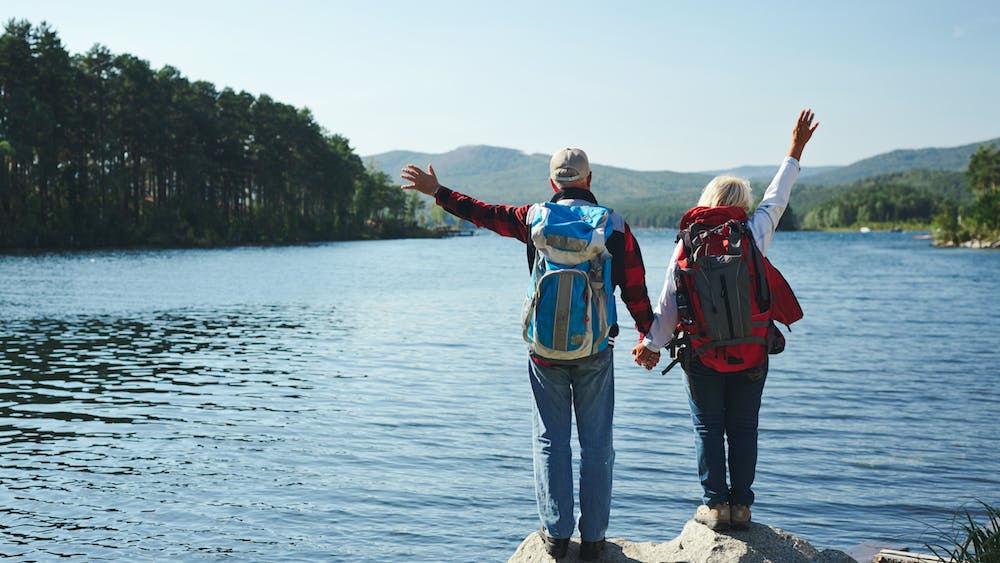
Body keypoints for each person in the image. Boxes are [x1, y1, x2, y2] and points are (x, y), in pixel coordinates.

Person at [401, 149, 654, 560]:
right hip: (595, 352)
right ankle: (593, 540)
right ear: (589, 179)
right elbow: (636, 289)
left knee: (550, 441)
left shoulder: (533, 217)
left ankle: (555, 534)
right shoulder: (615, 225)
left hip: (544, 352)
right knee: (597, 444)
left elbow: (483, 213)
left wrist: (439, 192)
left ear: (553, 183)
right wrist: (649, 337)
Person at [631, 109, 818, 531]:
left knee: (708, 428)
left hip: (701, 355)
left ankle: (715, 507)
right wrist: (795, 149)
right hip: (751, 352)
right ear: (742, 207)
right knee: (744, 429)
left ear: (707, 201)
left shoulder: (688, 243)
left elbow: (668, 303)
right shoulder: (752, 234)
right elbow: (778, 196)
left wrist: (650, 345)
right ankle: (743, 507)